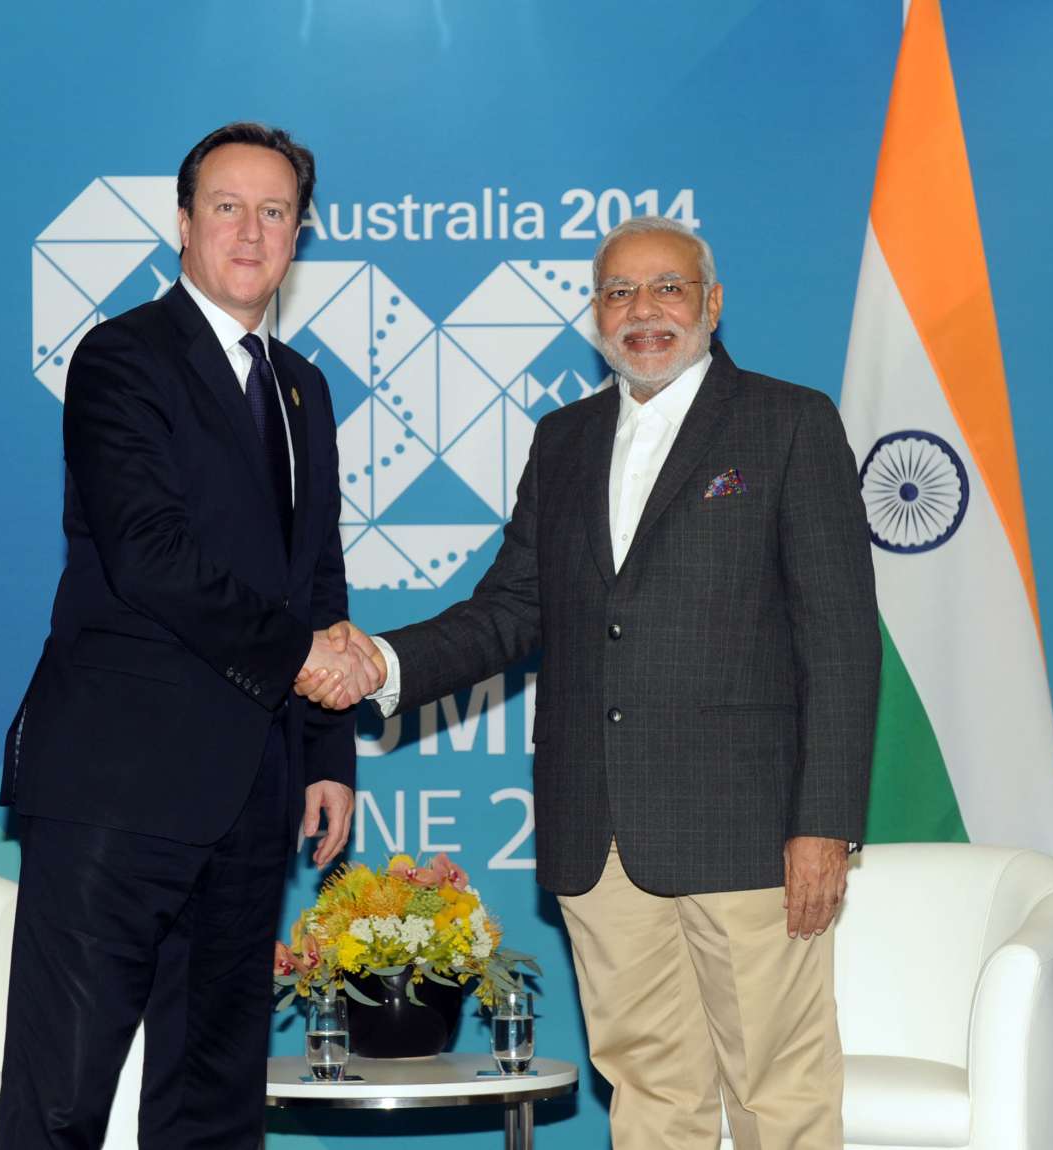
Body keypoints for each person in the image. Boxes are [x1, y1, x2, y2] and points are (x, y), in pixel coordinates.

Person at [304, 216, 880, 1149]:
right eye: (619, 292)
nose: (643, 311)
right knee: (652, 1095)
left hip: (749, 836)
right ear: (593, 315)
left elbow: (845, 642)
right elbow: (509, 611)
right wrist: (383, 661)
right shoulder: (563, 440)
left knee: (782, 1095)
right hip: (599, 837)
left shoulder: (789, 422)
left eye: (667, 288)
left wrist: (825, 824)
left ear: (712, 303)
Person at [0, 122, 379, 1149]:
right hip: (116, 793)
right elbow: (151, 554)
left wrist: (327, 753)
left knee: (214, 1108)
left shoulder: (305, 387)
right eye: (227, 207)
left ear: (301, 233)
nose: (251, 232)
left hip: (253, 797)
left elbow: (318, 579)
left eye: (275, 212)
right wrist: (304, 660)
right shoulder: (122, 358)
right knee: (61, 1102)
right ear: (182, 223)